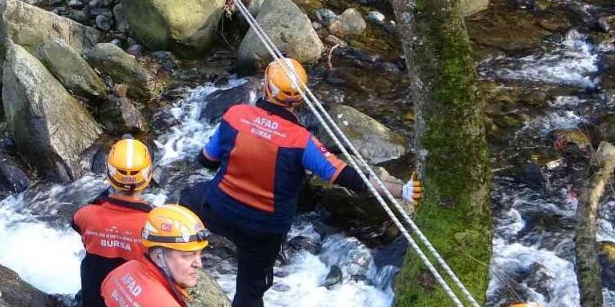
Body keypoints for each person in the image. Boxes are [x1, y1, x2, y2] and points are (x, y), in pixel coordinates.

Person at [179, 57, 423, 307]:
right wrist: (402, 190)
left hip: (219, 209)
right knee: (250, 294)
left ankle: (176, 257)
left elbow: (206, 160)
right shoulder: (302, 141)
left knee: (186, 199)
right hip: (263, 230)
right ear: (299, 98)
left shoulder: (235, 115)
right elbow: (348, 177)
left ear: (266, 87)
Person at [72, 137, 155, 307]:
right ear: (148, 176)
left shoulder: (85, 215)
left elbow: (77, 224)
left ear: (109, 174)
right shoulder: (155, 226)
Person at [100, 205, 209, 307]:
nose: (199, 264)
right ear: (159, 257)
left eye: (199, 254)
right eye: (188, 255)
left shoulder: (124, 269)